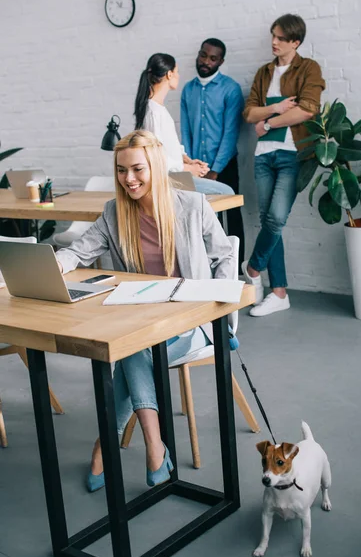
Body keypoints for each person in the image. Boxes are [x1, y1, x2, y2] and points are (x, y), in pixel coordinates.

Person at [55, 130, 235, 492]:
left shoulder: (193, 207)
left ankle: (108, 447)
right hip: (140, 317)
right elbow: (79, 250)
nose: (129, 179)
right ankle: (155, 447)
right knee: (135, 344)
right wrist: (58, 263)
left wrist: (224, 318)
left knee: (132, 350)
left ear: (154, 165)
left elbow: (226, 255)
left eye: (137, 169)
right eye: (121, 171)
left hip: (191, 321)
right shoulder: (114, 211)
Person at [242, 14, 325, 316]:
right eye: (272, 36)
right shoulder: (264, 72)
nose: (273, 42)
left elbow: (307, 110)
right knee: (268, 221)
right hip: (264, 156)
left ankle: (252, 268)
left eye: (280, 38)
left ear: (295, 42)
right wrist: (275, 108)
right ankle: (279, 293)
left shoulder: (309, 68)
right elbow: (249, 113)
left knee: (275, 219)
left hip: (292, 155)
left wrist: (269, 122)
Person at [181, 38, 246, 266]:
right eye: (203, 55)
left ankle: (236, 271)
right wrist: (189, 167)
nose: (206, 61)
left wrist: (215, 170)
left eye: (212, 58)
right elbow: (186, 131)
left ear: (221, 61)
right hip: (195, 168)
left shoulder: (231, 89)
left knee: (230, 218)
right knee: (197, 218)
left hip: (224, 166)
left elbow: (230, 133)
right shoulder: (188, 90)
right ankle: (204, 270)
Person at [134, 53, 234, 196]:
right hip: (169, 180)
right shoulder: (154, 112)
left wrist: (189, 161)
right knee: (225, 192)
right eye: (177, 72)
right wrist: (187, 169)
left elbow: (167, 146)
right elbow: (156, 158)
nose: (178, 76)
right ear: (169, 74)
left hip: (175, 176)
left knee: (215, 196)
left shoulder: (158, 109)